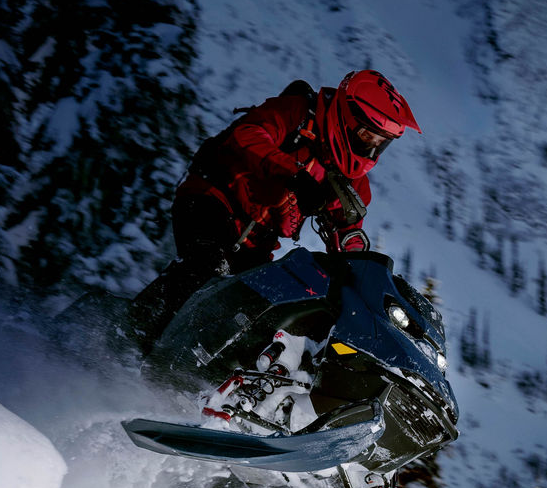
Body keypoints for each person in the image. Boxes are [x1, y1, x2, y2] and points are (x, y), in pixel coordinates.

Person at [128, 69, 420, 355]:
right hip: (213, 199)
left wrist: (360, 272)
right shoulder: (297, 112)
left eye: (381, 142)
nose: (371, 148)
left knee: (253, 307)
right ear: (346, 117)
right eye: (367, 136)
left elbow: (348, 231)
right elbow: (249, 134)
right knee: (206, 267)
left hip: (259, 242)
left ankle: (205, 376)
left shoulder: (352, 180)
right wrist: (293, 174)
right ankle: (132, 335)